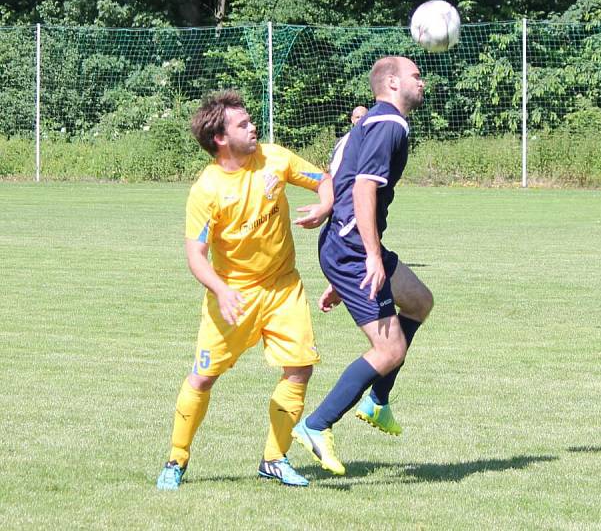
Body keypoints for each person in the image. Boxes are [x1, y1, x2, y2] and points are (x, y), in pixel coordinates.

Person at [156, 90, 333, 489]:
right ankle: (176, 459)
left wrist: (324, 205)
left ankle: (274, 458)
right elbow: (196, 255)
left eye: (250, 121)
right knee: (203, 377)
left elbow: (325, 180)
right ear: (220, 138)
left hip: (284, 287)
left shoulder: (275, 158)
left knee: (300, 369)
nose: (253, 127)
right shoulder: (207, 190)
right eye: (242, 124)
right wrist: (221, 289)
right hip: (233, 294)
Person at [291, 56, 434, 475]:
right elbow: (365, 187)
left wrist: (337, 227)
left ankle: (377, 400)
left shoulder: (372, 122)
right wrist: (367, 256)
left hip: (349, 244)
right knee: (389, 349)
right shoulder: (388, 124)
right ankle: (315, 425)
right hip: (354, 248)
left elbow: (341, 175)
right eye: (415, 76)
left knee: (420, 302)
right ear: (392, 83)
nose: (422, 82)